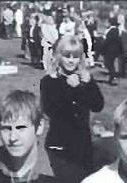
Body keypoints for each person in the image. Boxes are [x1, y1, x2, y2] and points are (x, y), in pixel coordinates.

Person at [40, 34, 104, 174]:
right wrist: (71, 90)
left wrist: (89, 84)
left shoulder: (83, 79)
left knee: (84, 182)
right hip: (60, 144)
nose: (71, 60)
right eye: (67, 56)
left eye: (75, 56)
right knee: (66, 182)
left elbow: (98, 105)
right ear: (59, 56)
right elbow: (52, 110)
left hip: (83, 144)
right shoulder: (49, 81)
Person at [101, 17, 123, 86]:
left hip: (110, 50)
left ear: (110, 23)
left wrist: (102, 45)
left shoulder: (112, 30)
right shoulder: (115, 30)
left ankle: (113, 77)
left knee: (108, 63)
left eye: (107, 22)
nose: (106, 24)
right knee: (110, 64)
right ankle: (112, 77)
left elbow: (107, 41)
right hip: (113, 50)